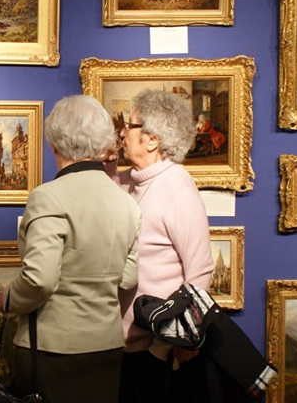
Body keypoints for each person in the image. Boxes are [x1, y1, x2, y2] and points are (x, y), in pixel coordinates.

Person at [0, 95, 141, 403]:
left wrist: (7, 298)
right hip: (106, 347)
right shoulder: (126, 203)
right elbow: (128, 278)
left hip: (52, 351)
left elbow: (40, 280)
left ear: (55, 145)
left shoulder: (48, 197)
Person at [110, 90, 215, 403]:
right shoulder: (129, 179)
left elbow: (200, 271)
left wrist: (167, 345)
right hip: (121, 343)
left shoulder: (177, 187)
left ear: (152, 140)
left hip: (154, 349)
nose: (123, 132)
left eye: (130, 126)